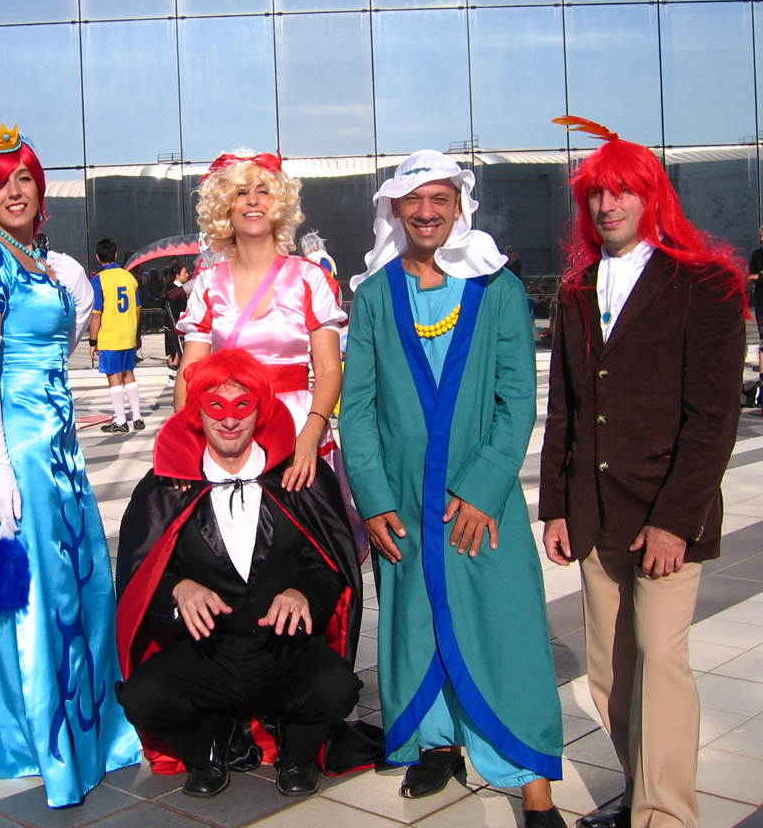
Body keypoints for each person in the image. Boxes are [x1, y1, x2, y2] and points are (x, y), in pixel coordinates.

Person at [339, 150, 565, 827]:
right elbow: (358, 408)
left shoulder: (496, 289)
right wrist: (373, 499)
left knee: (507, 628)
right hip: (404, 503)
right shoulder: (373, 296)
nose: (426, 212)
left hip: (480, 504)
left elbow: (516, 400)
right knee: (414, 624)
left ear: (459, 207)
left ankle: (532, 781)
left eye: (440, 199)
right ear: (394, 209)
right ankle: (435, 744)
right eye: (414, 200)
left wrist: (484, 488)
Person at [540, 118, 746, 828]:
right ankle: (639, 794)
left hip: (664, 514)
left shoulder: (705, 284)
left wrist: (674, 521)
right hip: (594, 512)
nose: (607, 206)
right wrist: (556, 505)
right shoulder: (576, 289)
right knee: (609, 673)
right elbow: (565, 406)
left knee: (659, 660)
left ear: (652, 195)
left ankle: (666, 815)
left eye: (622, 191)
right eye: (596, 194)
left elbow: (712, 419)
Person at [0, 124, 141, 808]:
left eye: (25, 179)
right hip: (23, 454)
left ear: (40, 188)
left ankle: (91, 732)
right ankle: (55, 748)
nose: (15, 192)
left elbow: (67, 339)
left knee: (82, 588)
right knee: (43, 599)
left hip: (59, 449)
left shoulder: (42, 261)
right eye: (0, 183)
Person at [115, 348, 364, 799]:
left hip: (282, 648)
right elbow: (138, 578)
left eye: (242, 405)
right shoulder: (165, 488)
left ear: (261, 410)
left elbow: (330, 565)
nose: (229, 420)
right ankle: (208, 749)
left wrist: (304, 594)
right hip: (207, 651)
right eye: (215, 405)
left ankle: (298, 753)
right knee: (141, 698)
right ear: (196, 412)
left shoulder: (297, 481)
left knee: (338, 688)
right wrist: (177, 590)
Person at [175, 150, 346, 494]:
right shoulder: (208, 283)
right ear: (225, 207)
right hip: (229, 426)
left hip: (298, 428)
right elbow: (189, 372)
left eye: (263, 191)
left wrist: (311, 433)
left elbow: (329, 369)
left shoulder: (309, 279)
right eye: (240, 192)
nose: (253, 200)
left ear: (279, 203)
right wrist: (184, 440)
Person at [90, 237, 143, 433]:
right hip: (128, 333)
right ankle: (137, 417)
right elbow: (138, 310)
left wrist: (93, 341)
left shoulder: (99, 279)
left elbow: (96, 313)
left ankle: (121, 420)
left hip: (110, 335)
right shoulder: (129, 277)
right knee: (129, 374)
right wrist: (137, 334)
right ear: (116, 254)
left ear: (98, 257)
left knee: (114, 377)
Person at [162, 261, 190, 377]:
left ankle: (174, 371)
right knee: (176, 349)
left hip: (180, 322)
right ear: (177, 275)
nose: (187, 275)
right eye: (185, 273)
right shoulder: (174, 291)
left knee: (179, 347)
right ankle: (173, 372)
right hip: (175, 322)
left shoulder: (182, 289)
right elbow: (174, 308)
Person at [748, 226, 763, 404]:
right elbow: (751, 273)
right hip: (760, 300)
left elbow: (756, 276)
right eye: (760, 236)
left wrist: (759, 277)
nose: (761, 239)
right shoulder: (757, 254)